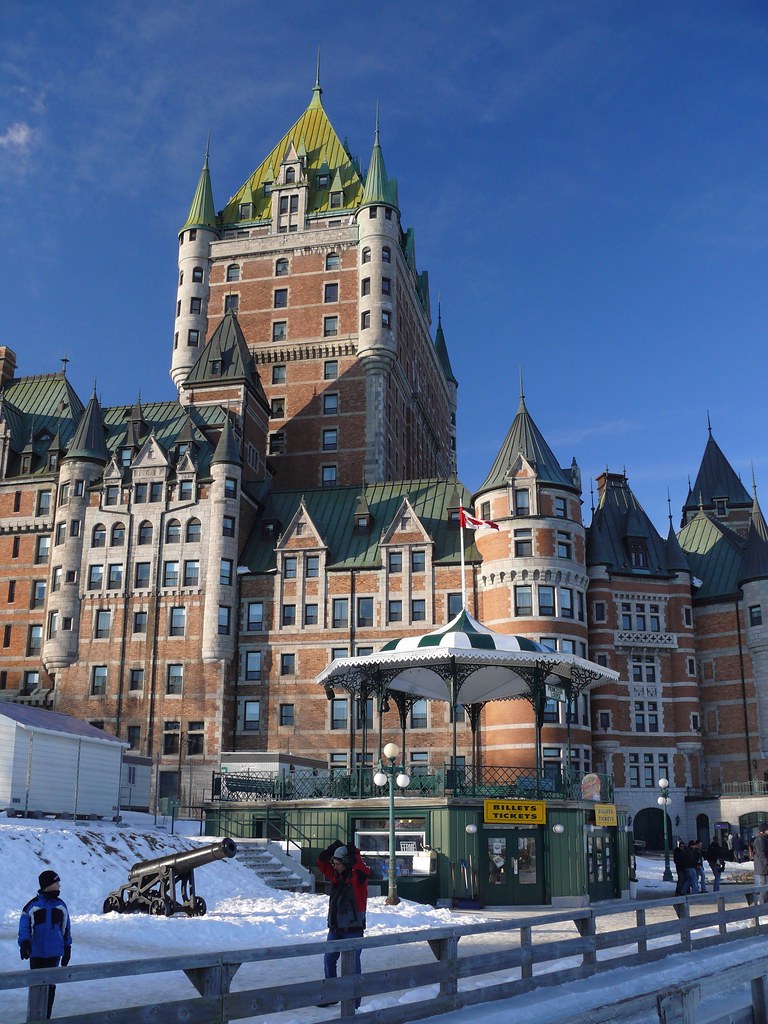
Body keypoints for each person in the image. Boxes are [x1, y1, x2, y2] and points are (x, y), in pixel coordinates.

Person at [316, 840, 371, 1009]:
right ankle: (332, 995)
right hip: (335, 928)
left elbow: (362, 870)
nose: (335, 866)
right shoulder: (336, 875)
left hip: (353, 929)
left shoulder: (357, 878)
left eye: (338, 863)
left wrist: (355, 854)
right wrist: (329, 851)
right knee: (329, 960)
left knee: (353, 965)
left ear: (346, 862)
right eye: (334, 863)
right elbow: (320, 863)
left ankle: (354, 1000)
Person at [18, 869, 72, 1019]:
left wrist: (67, 947)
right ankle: (35, 1017)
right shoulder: (32, 906)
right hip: (36, 953)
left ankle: (46, 1016)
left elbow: (66, 928)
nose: (59, 885)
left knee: (50, 986)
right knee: (36, 986)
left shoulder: (61, 906)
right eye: (56, 882)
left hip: (54, 953)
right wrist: (24, 943)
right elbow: (24, 928)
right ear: (48, 885)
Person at [752, 822, 768, 901]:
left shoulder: (764, 839)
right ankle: (762, 908)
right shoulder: (760, 840)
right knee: (764, 890)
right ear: (763, 831)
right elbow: (761, 854)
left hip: (764, 869)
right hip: (763, 869)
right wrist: (767, 863)